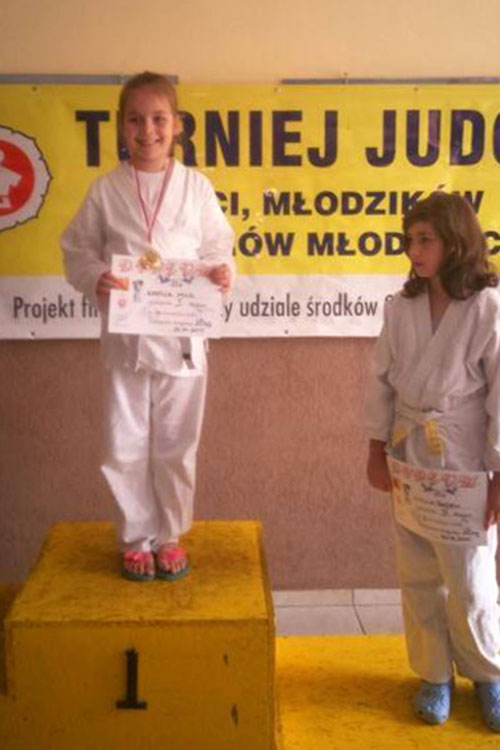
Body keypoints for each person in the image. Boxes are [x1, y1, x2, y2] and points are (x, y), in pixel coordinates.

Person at [61, 71, 234, 583]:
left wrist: (222, 272)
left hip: (183, 338)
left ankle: (169, 535)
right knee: (125, 442)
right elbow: (77, 249)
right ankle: (137, 538)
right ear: (121, 126)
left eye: (159, 119)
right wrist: (95, 276)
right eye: (135, 120)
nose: (147, 131)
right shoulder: (105, 190)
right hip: (127, 337)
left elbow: (218, 246)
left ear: (177, 124)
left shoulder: (196, 188)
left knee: (178, 443)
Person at [366, 191, 500, 731]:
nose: (414, 251)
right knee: (417, 568)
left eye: (425, 240)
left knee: (470, 575)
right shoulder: (400, 307)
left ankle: (488, 674)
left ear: (455, 242)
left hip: (464, 452)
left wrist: (499, 473)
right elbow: (379, 381)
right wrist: (375, 447)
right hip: (409, 450)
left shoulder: (488, 307)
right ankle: (433, 675)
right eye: (409, 240)